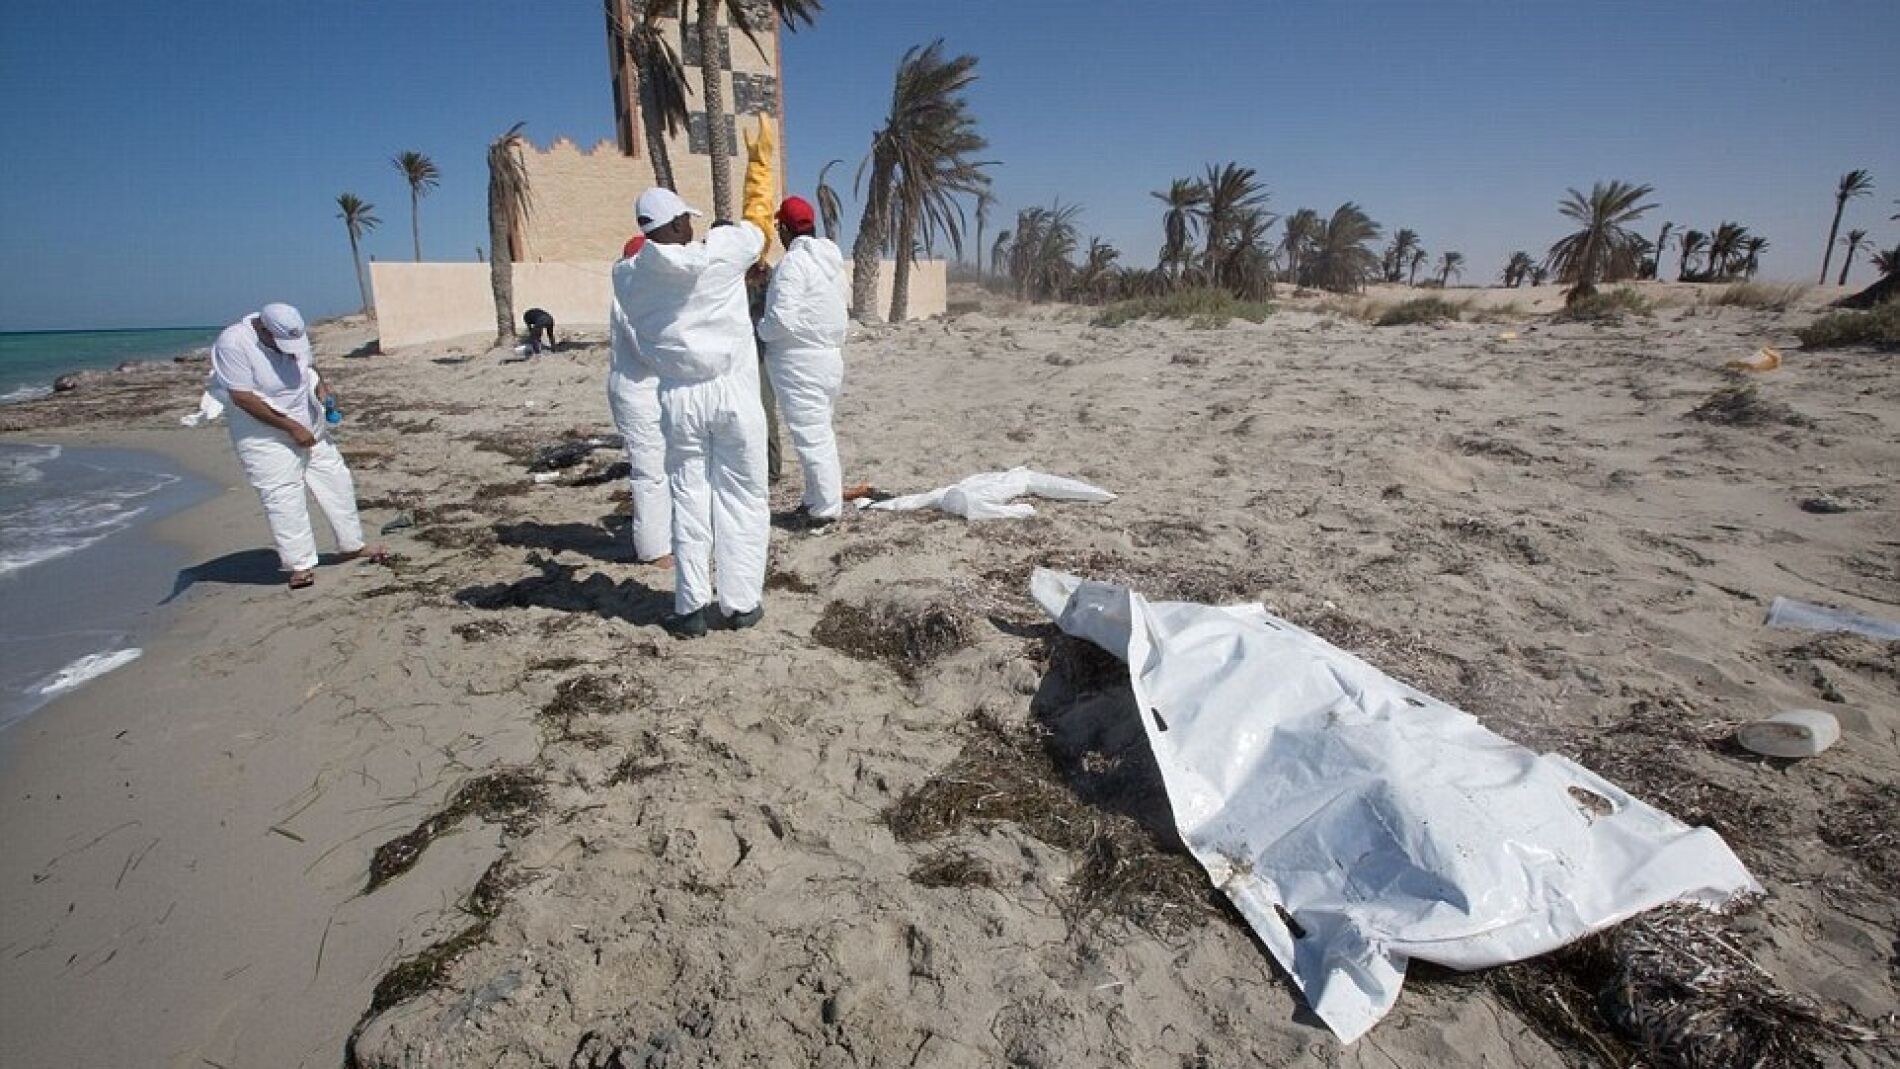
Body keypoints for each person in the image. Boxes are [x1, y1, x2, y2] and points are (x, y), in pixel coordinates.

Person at [619, 187, 770, 639]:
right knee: (742, 496)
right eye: (687, 219)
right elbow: (755, 231)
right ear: (679, 224)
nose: (693, 227)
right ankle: (742, 603)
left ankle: (690, 607)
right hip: (731, 392)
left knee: (688, 497)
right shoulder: (719, 257)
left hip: (678, 397)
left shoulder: (626, 277)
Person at [210, 303, 378, 589]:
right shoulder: (234, 342)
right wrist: (291, 427)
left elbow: (310, 369)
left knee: (336, 480)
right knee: (283, 494)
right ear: (264, 329)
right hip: (263, 435)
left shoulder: (293, 336)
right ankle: (299, 564)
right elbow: (242, 397)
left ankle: (352, 545)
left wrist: (322, 391)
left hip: (309, 425)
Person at [758, 195, 849, 526]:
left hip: (800, 363)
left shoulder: (793, 265)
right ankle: (815, 499)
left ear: (783, 228)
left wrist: (760, 330)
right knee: (817, 431)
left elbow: (782, 318)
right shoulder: (831, 263)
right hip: (827, 359)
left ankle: (825, 509)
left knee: (812, 436)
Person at [607, 234, 672, 567]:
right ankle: (654, 550)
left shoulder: (635, 292)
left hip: (646, 391)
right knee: (650, 471)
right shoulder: (631, 296)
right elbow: (647, 348)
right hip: (638, 394)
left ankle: (665, 535)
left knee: (664, 466)